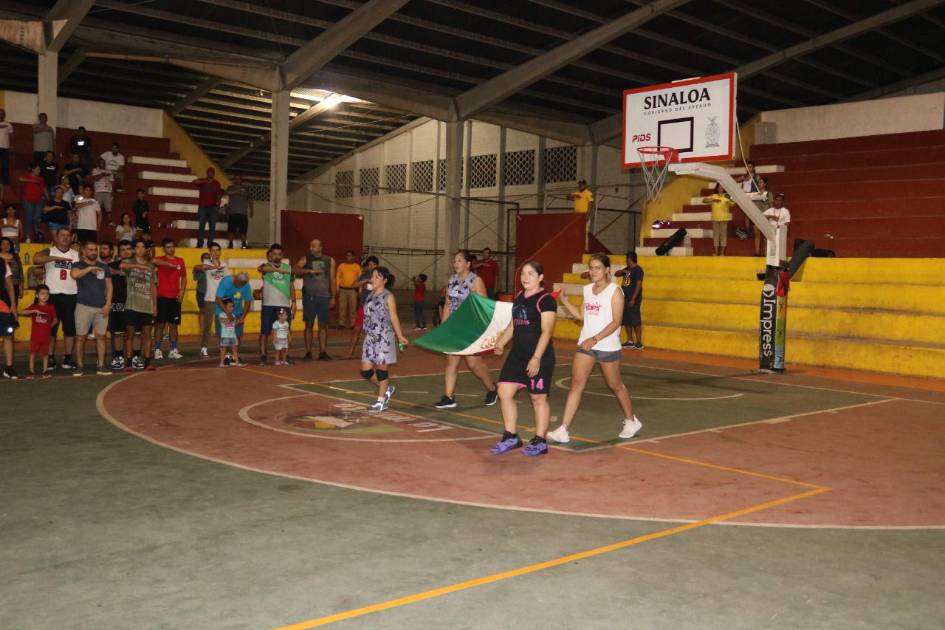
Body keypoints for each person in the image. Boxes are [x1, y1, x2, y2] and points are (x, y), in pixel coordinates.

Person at [548, 253, 642, 444]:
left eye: (598, 268)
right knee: (576, 385)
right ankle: (563, 429)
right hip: (586, 344)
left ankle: (632, 421)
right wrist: (564, 300)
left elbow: (616, 322)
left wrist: (595, 339)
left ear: (607, 270)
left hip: (607, 346)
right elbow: (581, 315)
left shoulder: (615, 291)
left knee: (615, 385)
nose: (593, 271)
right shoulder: (587, 290)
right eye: (591, 268)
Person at [490, 260, 557, 456]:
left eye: (530, 274)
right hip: (517, 355)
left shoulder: (546, 300)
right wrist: (501, 342)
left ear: (540, 277)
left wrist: (536, 357)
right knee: (504, 391)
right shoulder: (519, 296)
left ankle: (540, 441)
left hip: (538, 356)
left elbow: (547, 331)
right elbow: (514, 324)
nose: (525, 277)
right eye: (523, 274)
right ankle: (511, 436)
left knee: (538, 398)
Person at [433, 250, 499, 409]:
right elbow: (448, 304)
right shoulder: (452, 280)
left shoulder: (476, 281)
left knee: (474, 364)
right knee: (451, 361)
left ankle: (492, 389)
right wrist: (443, 327)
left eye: (459, 260)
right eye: (455, 261)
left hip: (470, 327)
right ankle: (449, 397)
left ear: (468, 264)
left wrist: (481, 329)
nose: (455, 263)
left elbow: (484, 306)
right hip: (454, 327)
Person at [359, 266, 408, 413]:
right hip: (370, 337)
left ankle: (381, 402)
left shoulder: (388, 296)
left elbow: (393, 316)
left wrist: (400, 336)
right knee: (366, 372)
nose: (373, 279)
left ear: (384, 280)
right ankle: (386, 389)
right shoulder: (369, 295)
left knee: (381, 371)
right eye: (372, 276)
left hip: (383, 337)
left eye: (377, 277)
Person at [33, 228, 80, 371]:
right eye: (62, 235)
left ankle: (68, 357)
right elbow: (36, 259)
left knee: (70, 329)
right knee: (51, 329)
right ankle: (50, 357)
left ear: (71, 238)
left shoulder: (76, 254)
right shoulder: (50, 251)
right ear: (57, 237)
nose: (65, 238)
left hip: (71, 295)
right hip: (52, 296)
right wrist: (55, 258)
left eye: (68, 236)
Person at [71, 240, 113, 376]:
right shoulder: (78, 265)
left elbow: (109, 287)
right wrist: (90, 269)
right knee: (80, 337)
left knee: (101, 337)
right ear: (83, 251)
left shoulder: (104, 267)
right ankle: (79, 366)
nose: (93, 252)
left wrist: (108, 304)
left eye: (95, 249)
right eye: (90, 249)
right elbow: (74, 275)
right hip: (83, 306)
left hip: (101, 307)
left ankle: (101, 365)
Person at [294, 238, 335, 361]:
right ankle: (308, 352)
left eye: (313, 246)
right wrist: (308, 271)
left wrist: (333, 297)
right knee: (309, 324)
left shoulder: (329, 260)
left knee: (323, 326)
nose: (311, 248)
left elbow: (332, 279)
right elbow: (294, 269)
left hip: (324, 296)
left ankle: (323, 352)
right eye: (310, 246)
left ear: (320, 247)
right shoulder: (306, 259)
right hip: (310, 296)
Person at [120, 239, 158, 371]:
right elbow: (121, 266)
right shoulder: (129, 262)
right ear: (134, 249)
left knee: (147, 335)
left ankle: (147, 362)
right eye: (137, 247)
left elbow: (153, 286)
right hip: (131, 305)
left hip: (147, 305)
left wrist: (155, 305)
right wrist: (139, 266)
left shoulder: (151, 265)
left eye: (142, 247)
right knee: (129, 334)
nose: (140, 249)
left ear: (146, 249)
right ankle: (129, 362)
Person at [257, 244, 295, 364]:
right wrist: (278, 270)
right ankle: (263, 355)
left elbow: (291, 285)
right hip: (268, 305)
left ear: (282, 255)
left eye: (279, 254)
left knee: (284, 330)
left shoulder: (288, 268)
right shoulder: (266, 266)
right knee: (265, 331)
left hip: (284, 304)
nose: (277, 256)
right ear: (270, 255)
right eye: (274, 254)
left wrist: (294, 302)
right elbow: (260, 269)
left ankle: (285, 355)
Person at [152, 238, 186, 360]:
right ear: (164, 249)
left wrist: (182, 291)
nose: (171, 249)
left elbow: (184, 277)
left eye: (172, 246)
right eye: (168, 247)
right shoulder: (159, 260)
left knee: (174, 325)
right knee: (160, 325)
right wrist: (168, 265)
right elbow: (151, 260)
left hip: (175, 298)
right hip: (161, 297)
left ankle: (173, 349)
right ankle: (157, 349)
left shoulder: (180, 261)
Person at [195, 242, 228, 358]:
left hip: (221, 299)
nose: (215, 252)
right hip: (210, 298)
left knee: (223, 325)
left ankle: (223, 347)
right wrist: (214, 267)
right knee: (208, 325)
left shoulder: (224, 264)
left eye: (217, 250)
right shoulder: (206, 263)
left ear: (220, 252)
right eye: (213, 250)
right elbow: (198, 267)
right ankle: (203, 348)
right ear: (210, 252)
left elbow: (226, 281)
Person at [214, 272, 252, 365]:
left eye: (241, 285)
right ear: (235, 278)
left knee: (237, 335)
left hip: (237, 312)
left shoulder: (246, 286)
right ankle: (225, 356)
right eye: (238, 284)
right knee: (223, 335)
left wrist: (242, 317)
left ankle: (235, 356)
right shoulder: (226, 282)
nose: (239, 286)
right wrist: (227, 313)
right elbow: (218, 299)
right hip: (222, 311)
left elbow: (247, 301)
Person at [20, 284, 57, 378]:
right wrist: (34, 311)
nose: (45, 296)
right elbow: (22, 312)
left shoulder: (51, 307)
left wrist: (49, 326)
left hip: (46, 336)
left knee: (45, 354)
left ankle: (45, 371)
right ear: (37, 295)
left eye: (47, 294)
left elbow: (55, 320)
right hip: (35, 336)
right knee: (32, 353)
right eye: (42, 293)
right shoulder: (34, 306)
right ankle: (31, 371)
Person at [346, 256, 378, 359]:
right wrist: (365, 281)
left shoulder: (381, 275)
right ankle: (350, 352)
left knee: (374, 331)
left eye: (374, 264)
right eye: (369, 264)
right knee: (357, 329)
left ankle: (374, 353)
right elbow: (353, 285)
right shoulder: (364, 275)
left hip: (376, 308)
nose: (371, 266)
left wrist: (372, 285)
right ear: (367, 266)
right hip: (363, 306)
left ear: (377, 265)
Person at [107, 240, 132, 370]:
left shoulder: (140, 265)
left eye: (128, 249)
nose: (126, 252)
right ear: (119, 252)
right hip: (117, 303)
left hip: (135, 303)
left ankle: (134, 357)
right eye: (123, 249)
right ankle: (118, 357)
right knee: (117, 333)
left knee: (135, 333)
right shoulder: (112, 266)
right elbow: (107, 270)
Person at [616, 252, 644, 349]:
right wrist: (622, 271)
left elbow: (638, 285)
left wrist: (633, 299)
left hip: (633, 299)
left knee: (635, 320)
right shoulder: (627, 269)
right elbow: (616, 274)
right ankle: (630, 340)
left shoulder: (638, 270)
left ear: (629, 259)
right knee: (626, 319)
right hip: (624, 298)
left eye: (626, 259)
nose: (625, 261)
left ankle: (639, 342)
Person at [703, 183, 736, 256]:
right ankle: (716, 252)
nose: (721, 188)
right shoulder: (714, 196)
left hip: (724, 219)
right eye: (719, 187)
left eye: (722, 187)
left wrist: (729, 202)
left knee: (723, 236)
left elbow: (733, 204)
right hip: (715, 219)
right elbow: (704, 200)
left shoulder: (727, 195)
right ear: (717, 188)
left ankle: (722, 253)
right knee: (716, 235)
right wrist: (713, 200)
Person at [193, 167, 222, 247]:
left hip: (213, 207)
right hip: (203, 207)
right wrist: (205, 181)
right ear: (207, 173)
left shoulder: (216, 183)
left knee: (212, 226)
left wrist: (218, 205)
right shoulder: (202, 181)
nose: (210, 174)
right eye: (209, 172)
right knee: (201, 225)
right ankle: (200, 243)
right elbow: (194, 182)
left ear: (213, 174)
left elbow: (219, 195)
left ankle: (210, 243)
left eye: (211, 172)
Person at [18, 164, 46, 244]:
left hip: (39, 200)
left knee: (36, 218)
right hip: (27, 200)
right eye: (37, 169)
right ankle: (28, 237)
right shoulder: (27, 176)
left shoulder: (41, 178)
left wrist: (46, 197)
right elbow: (20, 179)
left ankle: (37, 235)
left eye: (39, 169)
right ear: (33, 169)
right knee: (29, 218)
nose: (39, 171)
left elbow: (43, 188)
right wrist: (32, 180)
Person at [0, 250, 17, 378]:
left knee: (8, 336)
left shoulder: (3, 263)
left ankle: (9, 368)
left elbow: (10, 285)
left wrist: (13, 305)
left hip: (3, 305)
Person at [335, 249, 361, 328]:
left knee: (353, 308)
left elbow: (360, 279)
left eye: (350, 256)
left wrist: (360, 289)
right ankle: (341, 323)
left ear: (353, 257)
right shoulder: (341, 266)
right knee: (342, 307)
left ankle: (352, 324)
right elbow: (338, 277)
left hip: (353, 290)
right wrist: (337, 288)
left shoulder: (357, 267)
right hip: (342, 289)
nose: (348, 257)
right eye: (347, 255)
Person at [225, 175, 252, 248]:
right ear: (234, 180)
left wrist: (251, 210)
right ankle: (230, 244)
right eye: (236, 179)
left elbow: (250, 199)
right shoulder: (230, 187)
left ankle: (244, 244)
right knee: (231, 230)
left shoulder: (246, 188)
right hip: (232, 212)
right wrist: (236, 191)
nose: (237, 180)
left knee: (243, 230)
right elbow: (227, 193)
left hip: (243, 213)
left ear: (241, 180)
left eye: (239, 178)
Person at [762, 193, 791, 257]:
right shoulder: (770, 210)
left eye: (780, 200)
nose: (778, 202)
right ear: (774, 201)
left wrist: (781, 228)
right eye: (776, 200)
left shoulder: (785, 211)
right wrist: (771, 216)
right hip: (771, 231)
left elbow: (787, 223)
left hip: (781, 232)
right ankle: (768, 255)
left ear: (782, 202)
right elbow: (761, 216)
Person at [750, 176, 774, 256]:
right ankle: (757, 252)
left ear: (765, 184)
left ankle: (766, 252)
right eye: (758, 183)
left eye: (761, 182)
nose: (759, 184)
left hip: (766, 217)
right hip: (757, 217)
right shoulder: (755, 194)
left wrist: (770, 217)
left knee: (765, 236)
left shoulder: (769, 194)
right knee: (757, 235)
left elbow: (771, 206)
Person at [217, 299, 244, 367]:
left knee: (235, 350)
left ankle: (237, 363)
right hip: (225, 336)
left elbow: (234, 324)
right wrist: (230, 319)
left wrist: (238, 321)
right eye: (230, 306)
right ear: (225, 307)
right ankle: (221, 363)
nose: (231, 308)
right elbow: (222, 320)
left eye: (232, 306)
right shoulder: (222, 314)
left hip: (232, 336)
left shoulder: (233, 315)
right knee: (223, 350)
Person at [90, 158, 114, 225]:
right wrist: (102, 174)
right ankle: (94, 220)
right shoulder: (95, 170)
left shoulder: (109, 171)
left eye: (103, 162)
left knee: (109, 207)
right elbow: (95, 179)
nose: (102, 164)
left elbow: (112, 181)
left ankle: (110, 221)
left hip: (108, 191)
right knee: (97, 206)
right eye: (101, 162)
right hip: (98, 191)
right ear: (98, 164)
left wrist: (112, 191)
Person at [0, 237, 23, 304]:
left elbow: (20, 273)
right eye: (3, 244)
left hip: (15, 286)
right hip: (2, 286)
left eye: (8, 244)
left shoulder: (16, 257)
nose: (6, 246)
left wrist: (21, 287)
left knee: (13, 306)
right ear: (0, 246)